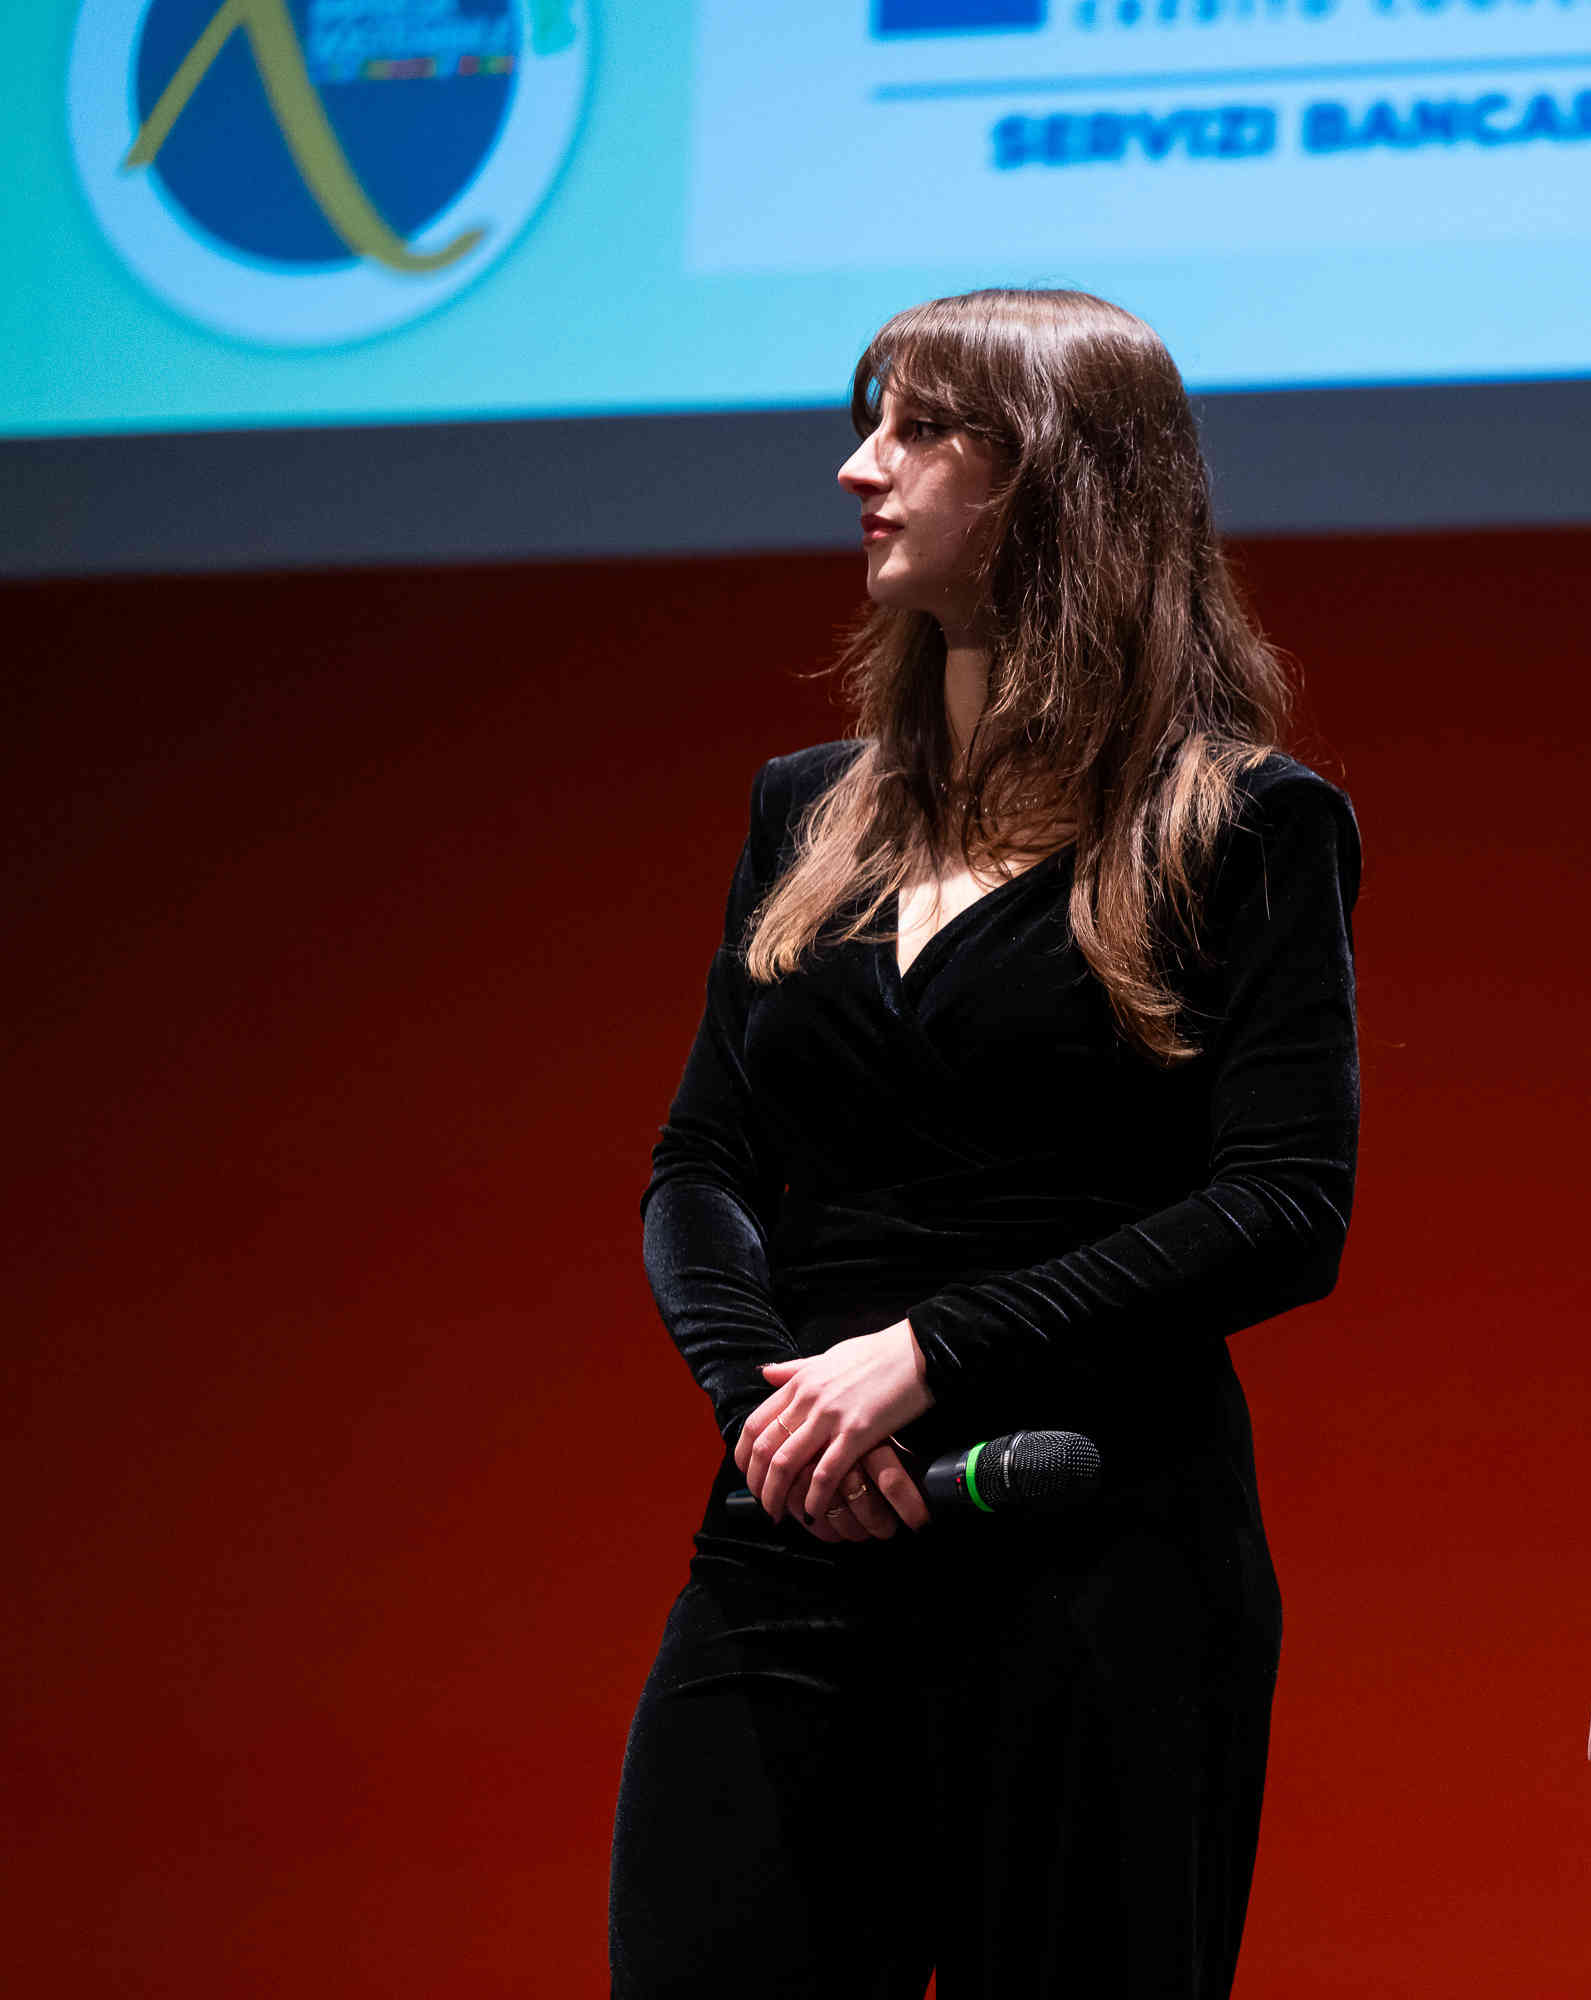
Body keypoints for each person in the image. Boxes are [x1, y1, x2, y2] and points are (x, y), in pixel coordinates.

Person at [609, 289, 1361, 2000]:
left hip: (1096, 1550)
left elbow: (1286, 1208)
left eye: (920, 429)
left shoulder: (1248, 823)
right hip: (802, 1530)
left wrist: (930, 1355)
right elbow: (702, 1167)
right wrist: (776, 1416)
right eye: (872, 419)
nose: (859, 467)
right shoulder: (804, 809)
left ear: (1061, 482)